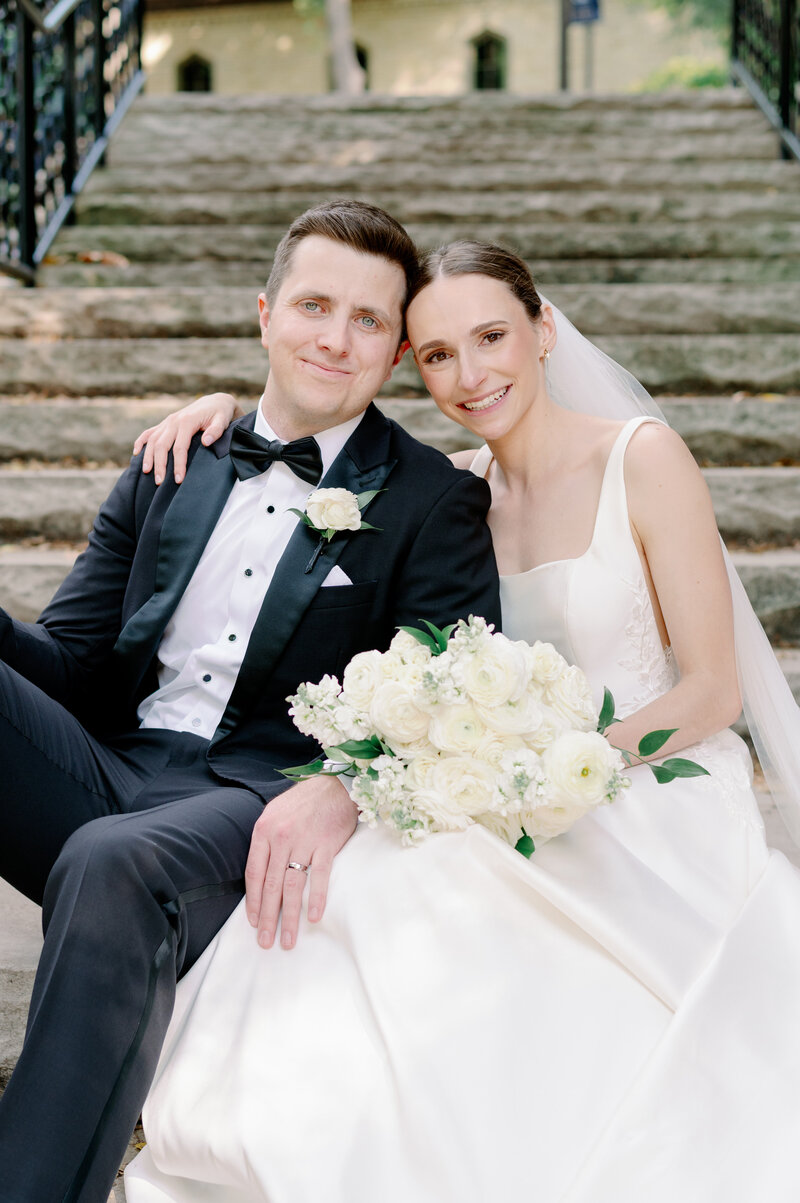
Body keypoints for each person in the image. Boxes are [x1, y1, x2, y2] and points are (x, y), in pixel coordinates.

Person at [124, 240, 800, 1203]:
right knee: (354, 909)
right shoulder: (450, 489)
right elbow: (310, 438)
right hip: (483, 784)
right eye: (438, 354)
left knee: (471, 934)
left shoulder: (640, 459)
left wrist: (556, 766)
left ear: (544, 330)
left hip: (649, 782)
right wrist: (221, 414)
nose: (470, 373)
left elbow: (712, 694)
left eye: (491, 337)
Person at [0, 208, 501, 1203]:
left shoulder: (428, 499)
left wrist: (344, 786)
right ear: (266, 313)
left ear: (397, 351)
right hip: (113, 765)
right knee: (101, 841)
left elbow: (443, 693)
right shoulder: (173, 459)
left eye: (366, 320)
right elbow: (68, 668)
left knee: (110, 863)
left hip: (256, 799)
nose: (333, 337)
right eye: (313, 306)